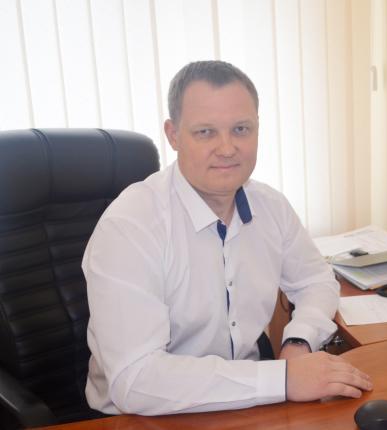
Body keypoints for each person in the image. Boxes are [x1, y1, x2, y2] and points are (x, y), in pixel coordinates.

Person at [83, 60, 372, 415]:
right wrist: (282, 380)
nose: (227, 148)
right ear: (173, 135)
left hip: (248, 402)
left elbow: (316, 280)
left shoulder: (271, 207)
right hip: (144, 416)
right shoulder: (130, 226)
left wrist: (299, 341)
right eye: (205, 132)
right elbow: (136, 380)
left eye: (241, 129)